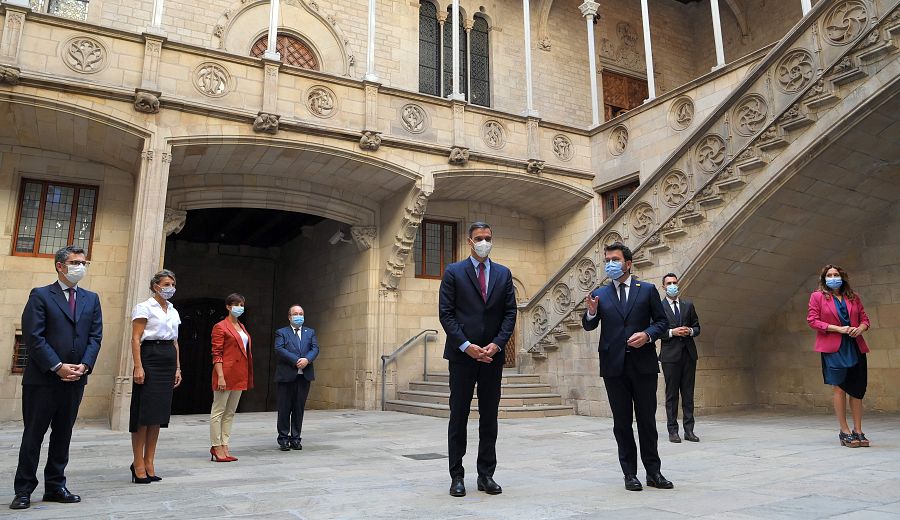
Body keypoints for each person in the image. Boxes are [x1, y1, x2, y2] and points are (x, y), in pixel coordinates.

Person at [10, 246, 102, 510]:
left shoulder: (91, 298)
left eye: (85, 262)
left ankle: (56, 486)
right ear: (60, 266)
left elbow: (95, 336)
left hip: (76, 379)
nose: (81, 267)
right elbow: (33, 337)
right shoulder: (40, 295)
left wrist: (84, 365)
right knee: (34, 435)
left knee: (63, 435)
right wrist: (57, 366)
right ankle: (24, 489)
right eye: (76, 262)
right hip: (43, 380)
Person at [582, 242, 671, 492]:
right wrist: (590, 313)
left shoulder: (648, 290)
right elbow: (589, 325)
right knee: (622, 423)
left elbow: (662, 322)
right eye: (607, 259)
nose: (610, 263)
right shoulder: (601, 293)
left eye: (615, 259)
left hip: (643, 366)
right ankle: (629, 473)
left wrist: (647, 335)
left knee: (647, 421)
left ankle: (654, 472)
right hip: (614, 368)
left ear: (628, 263)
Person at [439, 222, 517, 498]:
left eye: (488, 238)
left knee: (489, 417)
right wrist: (465, 345)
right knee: (458, 416)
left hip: (491, 359)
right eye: (479, 238)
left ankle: (486, 474)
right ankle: (456, 476)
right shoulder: (453, 272)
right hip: (462, 357)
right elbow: (446, 314)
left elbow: (510, 314)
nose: (484, 242)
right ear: (469, 241)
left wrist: (496, 345)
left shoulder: (503, 274)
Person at [807, 264, 872, 448]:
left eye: (836, 274)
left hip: (855, 346)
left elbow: (865, 320)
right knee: (840, 388)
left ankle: (858, 430)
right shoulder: (817, 297)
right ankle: (844, 431)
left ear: (842, 277)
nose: (833, 277)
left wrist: (859, 329)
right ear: (824, 278)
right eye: (829, 275)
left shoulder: (853, 297)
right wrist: (838, 329)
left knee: (858, 390)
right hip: (833, 348)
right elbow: (812, 320)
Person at [129, 270, 182, 484]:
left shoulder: (173, 310)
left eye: (173, 283)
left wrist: (178, 368)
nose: (170, 287)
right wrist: (138, 366)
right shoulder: (144, 307)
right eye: (166, 283)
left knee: (158, 416)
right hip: (150, 356)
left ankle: (150, 460)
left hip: (168, 358)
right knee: (144, 414)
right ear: (155, 286)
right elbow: (135, 338)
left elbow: (176, 341)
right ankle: (137, 462)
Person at [209, 293, 254, 462]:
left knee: (230, 412)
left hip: (240, 373)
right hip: (225, 373)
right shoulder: (220, 326)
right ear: (228, 306)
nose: (240, 307)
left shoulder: (242, 326)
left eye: (242, 304)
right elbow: (217, 353)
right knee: (218, 411)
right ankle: (216, 445)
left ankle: (225, 444)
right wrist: (220, 376)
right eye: (236, 304)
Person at [659, 273, 701, 443]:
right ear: (663, 287)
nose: (672, 285)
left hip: (688, 355)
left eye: (674, 282)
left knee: (688, 394)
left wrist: (690, 331)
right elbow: (655, 330)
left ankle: (689, 430)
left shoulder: (688, 305)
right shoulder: (658, 307)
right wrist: (672, 332)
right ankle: (672, 431)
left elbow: (697, 327)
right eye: (669, 283)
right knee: (672, 395)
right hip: (670, 357)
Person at [273, 305, 319, 451]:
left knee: (299, 408)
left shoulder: (310, 332)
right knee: (285, 408)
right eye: (295, 314)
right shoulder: (282, 332)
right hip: (286, 376)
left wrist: (307, 359)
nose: (298, 316)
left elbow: (315, 348)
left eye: (301, 313)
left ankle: (296, 438)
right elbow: (279, 349)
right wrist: (296, 360)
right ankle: (283, 439)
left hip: (304, 376)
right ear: (289, 316)